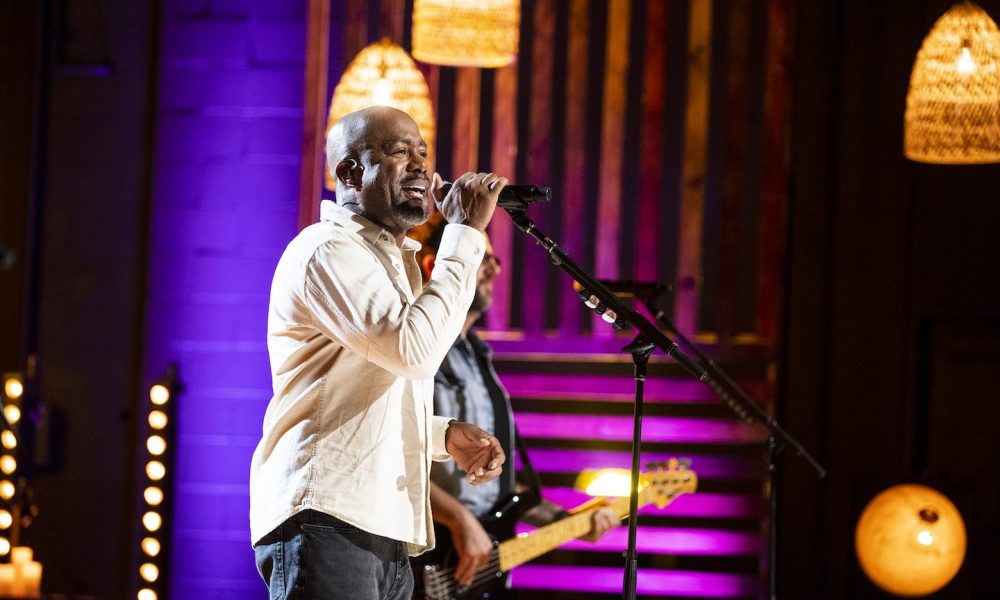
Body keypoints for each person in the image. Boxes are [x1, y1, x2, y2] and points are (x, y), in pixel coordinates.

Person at [249, 105, 511, 600]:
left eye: (423, 154)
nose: (419, 165)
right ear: (349, 172)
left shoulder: (392, 263)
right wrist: (464, 236)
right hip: (327, 517)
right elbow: (415, 351)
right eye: (398, 152)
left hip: (386, 531)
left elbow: (369, 392)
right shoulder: (326, 249)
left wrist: (443, 435)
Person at [408, 213, 620, 599]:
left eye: (494, 259)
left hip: (472, 565)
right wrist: (459, 521)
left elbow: (499, 491)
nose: (494, 267)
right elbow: (393, 452)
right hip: (424, 558)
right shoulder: (416, 349)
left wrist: (566, 520)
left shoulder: (479, 358)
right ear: (435, 266)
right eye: (480, 256)